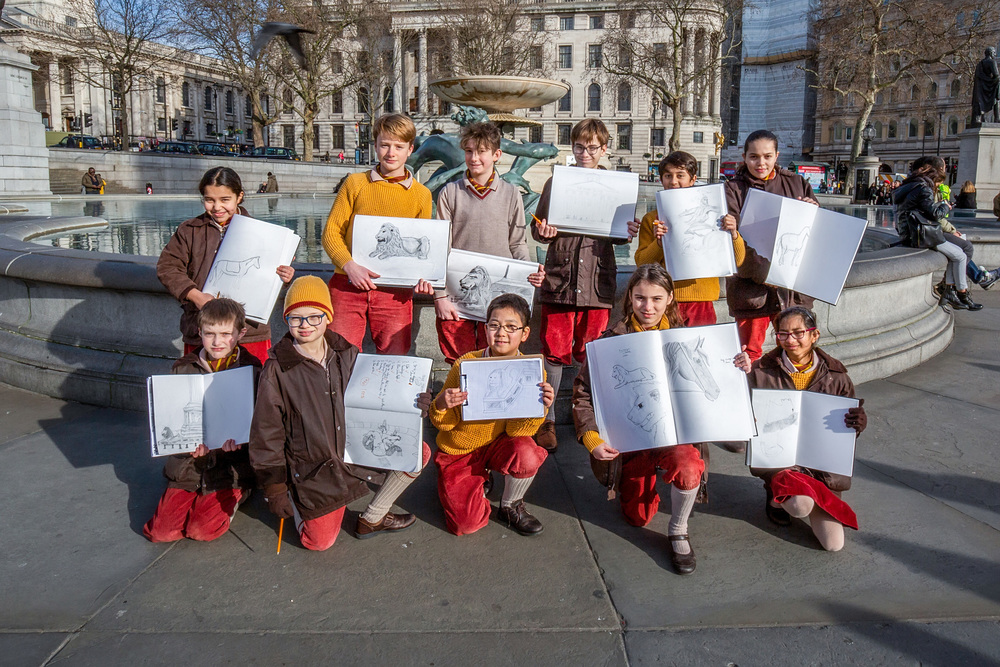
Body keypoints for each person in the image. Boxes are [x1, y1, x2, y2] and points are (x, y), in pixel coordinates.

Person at [572, 264, 752, 575]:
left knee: (688, 466)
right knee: (637, 517)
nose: (648, 306)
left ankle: (678, 529)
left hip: (675, 438)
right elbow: (583, 395)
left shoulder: (688, 336)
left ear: (670, 298)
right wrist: (592, 440)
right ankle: (643, 480)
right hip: (633, 440)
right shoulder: (609, 341)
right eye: (640, 298)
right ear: (630, 297)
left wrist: (737, 366)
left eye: (657, 298)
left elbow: (715, 383)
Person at [249, 276, 432, 551]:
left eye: (314, 317)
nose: (305, 325)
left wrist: (414, 403)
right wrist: (275, 490)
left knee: (419, 453)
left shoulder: (347, 352)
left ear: (328, 317)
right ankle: (296, 499)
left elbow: (379, 398)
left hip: (354, 453)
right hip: (314, 467)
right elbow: (266, 434)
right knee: (318, 543)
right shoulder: (276, 369)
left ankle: (373, 517)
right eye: (296, 318)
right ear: (286, 321)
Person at [530, 119, 630, 451]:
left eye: (592, 147)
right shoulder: (556, 183)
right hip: (561, 276)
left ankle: (586, 417)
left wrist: (626, 230)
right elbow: (538, 228)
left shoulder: (616, 187)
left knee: (593, 352)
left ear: (604, 149)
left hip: (597, 281)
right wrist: (543, 232)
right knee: (553, 352)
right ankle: (546, 421)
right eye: (578, 146)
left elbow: (617, 236)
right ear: (571, 148)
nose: (584, 153)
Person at [430, 294, 554, 536]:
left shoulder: (533, 372)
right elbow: (443, 424)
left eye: (511, 327)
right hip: (460, 449)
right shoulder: (466, 363)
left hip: (498, 443)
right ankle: (469, 483)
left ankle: (510, 505)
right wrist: (442, 404)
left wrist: (541, 408)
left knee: (527, 454)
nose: (501, 333)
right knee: (465, 524)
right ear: (485, 329)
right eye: (495, 325)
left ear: (525, 333)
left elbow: (519, 432)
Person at [747, 306, 868, 552]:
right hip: (783, 463)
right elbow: (741, 417)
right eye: (783, 334)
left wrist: (857, 424)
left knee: (834, 545)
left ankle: (803, 495)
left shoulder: (837, 376)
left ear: (815, 335)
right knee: (800, 505)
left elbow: (844, 432)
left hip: (821, 468)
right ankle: (775, 494)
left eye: (798, 333)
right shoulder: (760, 372)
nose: (790, 340)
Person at [143, 298, 262, 543]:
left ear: (241, 333)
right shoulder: (182, 368)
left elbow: (262, 422)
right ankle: (190, 495)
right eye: (210, 334)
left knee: (201, 531)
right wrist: (184, 445)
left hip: (231, 466)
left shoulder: (252, 369)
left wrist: (243, 443)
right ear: (199, 332)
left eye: (225, 334)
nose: (217, 342)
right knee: (160, 532)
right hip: (190, 464)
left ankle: (242, 491)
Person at [320, 113, 434, 355]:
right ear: (375, 146)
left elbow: (421, 245)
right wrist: (349, 265)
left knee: (394, 357)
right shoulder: (355, 183)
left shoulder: (422, 195)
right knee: (340, 355)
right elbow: (331, 232)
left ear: (410, 149)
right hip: (347, 284)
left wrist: (424, 275)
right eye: (384, 145)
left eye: (399, 146)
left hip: (395, 292)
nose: (391, 153)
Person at [157, 167, 295, 364]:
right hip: (202, 329)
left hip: (249, 331)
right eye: (209, 199)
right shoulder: (190, 230)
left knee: (253, 387)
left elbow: (269, 280)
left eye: (225, 200)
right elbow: (167, 267)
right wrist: (196, 297)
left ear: (239, 197)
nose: (216, 207)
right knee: (202, 387)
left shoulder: (264, 234)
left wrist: (284, 277)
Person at [434, 122, 544, 363]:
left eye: (482, 151)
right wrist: (439, 295)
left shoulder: (511, 193)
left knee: (495, 359)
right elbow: (439, 249)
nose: (475, 158)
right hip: (456, 298)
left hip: (498, 298)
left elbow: (517, 243)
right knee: (458, 360)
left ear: (496, 155)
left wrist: (528, 273)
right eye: (469, 151)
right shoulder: (449, 193)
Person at [723, 130, 818, 362]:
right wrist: (763, 271)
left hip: (791, 291)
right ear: (744, 157)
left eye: (767, 156)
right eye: (754, 157)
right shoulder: (732, 189)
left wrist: (812, 207)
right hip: (751, 291)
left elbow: (814, 233)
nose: (761, 162)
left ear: (777, 156)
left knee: (795, 353)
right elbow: (732, 240)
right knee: (748, 355)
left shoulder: (797, 183)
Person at [630, 151, 746, 327]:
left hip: (702, 299)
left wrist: (734, 234)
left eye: (680, 175)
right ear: (661, 179)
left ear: (693, 179)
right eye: (668, 175)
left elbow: (738, 259)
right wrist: (659, 243)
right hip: (664, 301)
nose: (673, 181)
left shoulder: (714, 214)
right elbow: (642, 263)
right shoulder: (651, 218)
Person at [893, 156, 984, 310]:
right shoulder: (923, 187)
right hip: (921, 234)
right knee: (960, 255)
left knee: (959, 254)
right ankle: (960, 293)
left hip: (911, 232)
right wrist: (946, 207)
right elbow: (934, 213)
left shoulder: (909, 185)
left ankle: (952, 290)